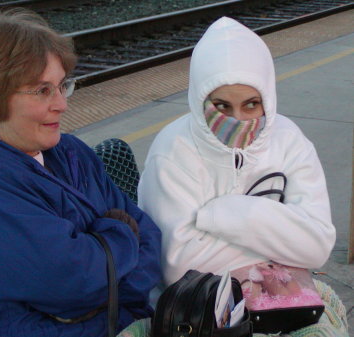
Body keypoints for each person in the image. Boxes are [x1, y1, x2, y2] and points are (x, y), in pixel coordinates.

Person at [0, 9, 161, 337]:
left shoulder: (68, 151)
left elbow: (150, 237)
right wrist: (120, 233)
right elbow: (72, 283)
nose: (62, 104)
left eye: (62, 86)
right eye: (42, 90)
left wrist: (103, 257)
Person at [138, 17, 348, 335]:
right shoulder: (174, 149)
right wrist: (280, 249)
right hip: (196, 313)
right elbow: (179, 265)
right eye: (222, 106)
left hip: (283, 309)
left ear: (268, 100)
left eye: (251, 105)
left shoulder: (290, 141)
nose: (238, 120)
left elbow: (317, 245)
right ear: (200, 102)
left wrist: (225, 214)